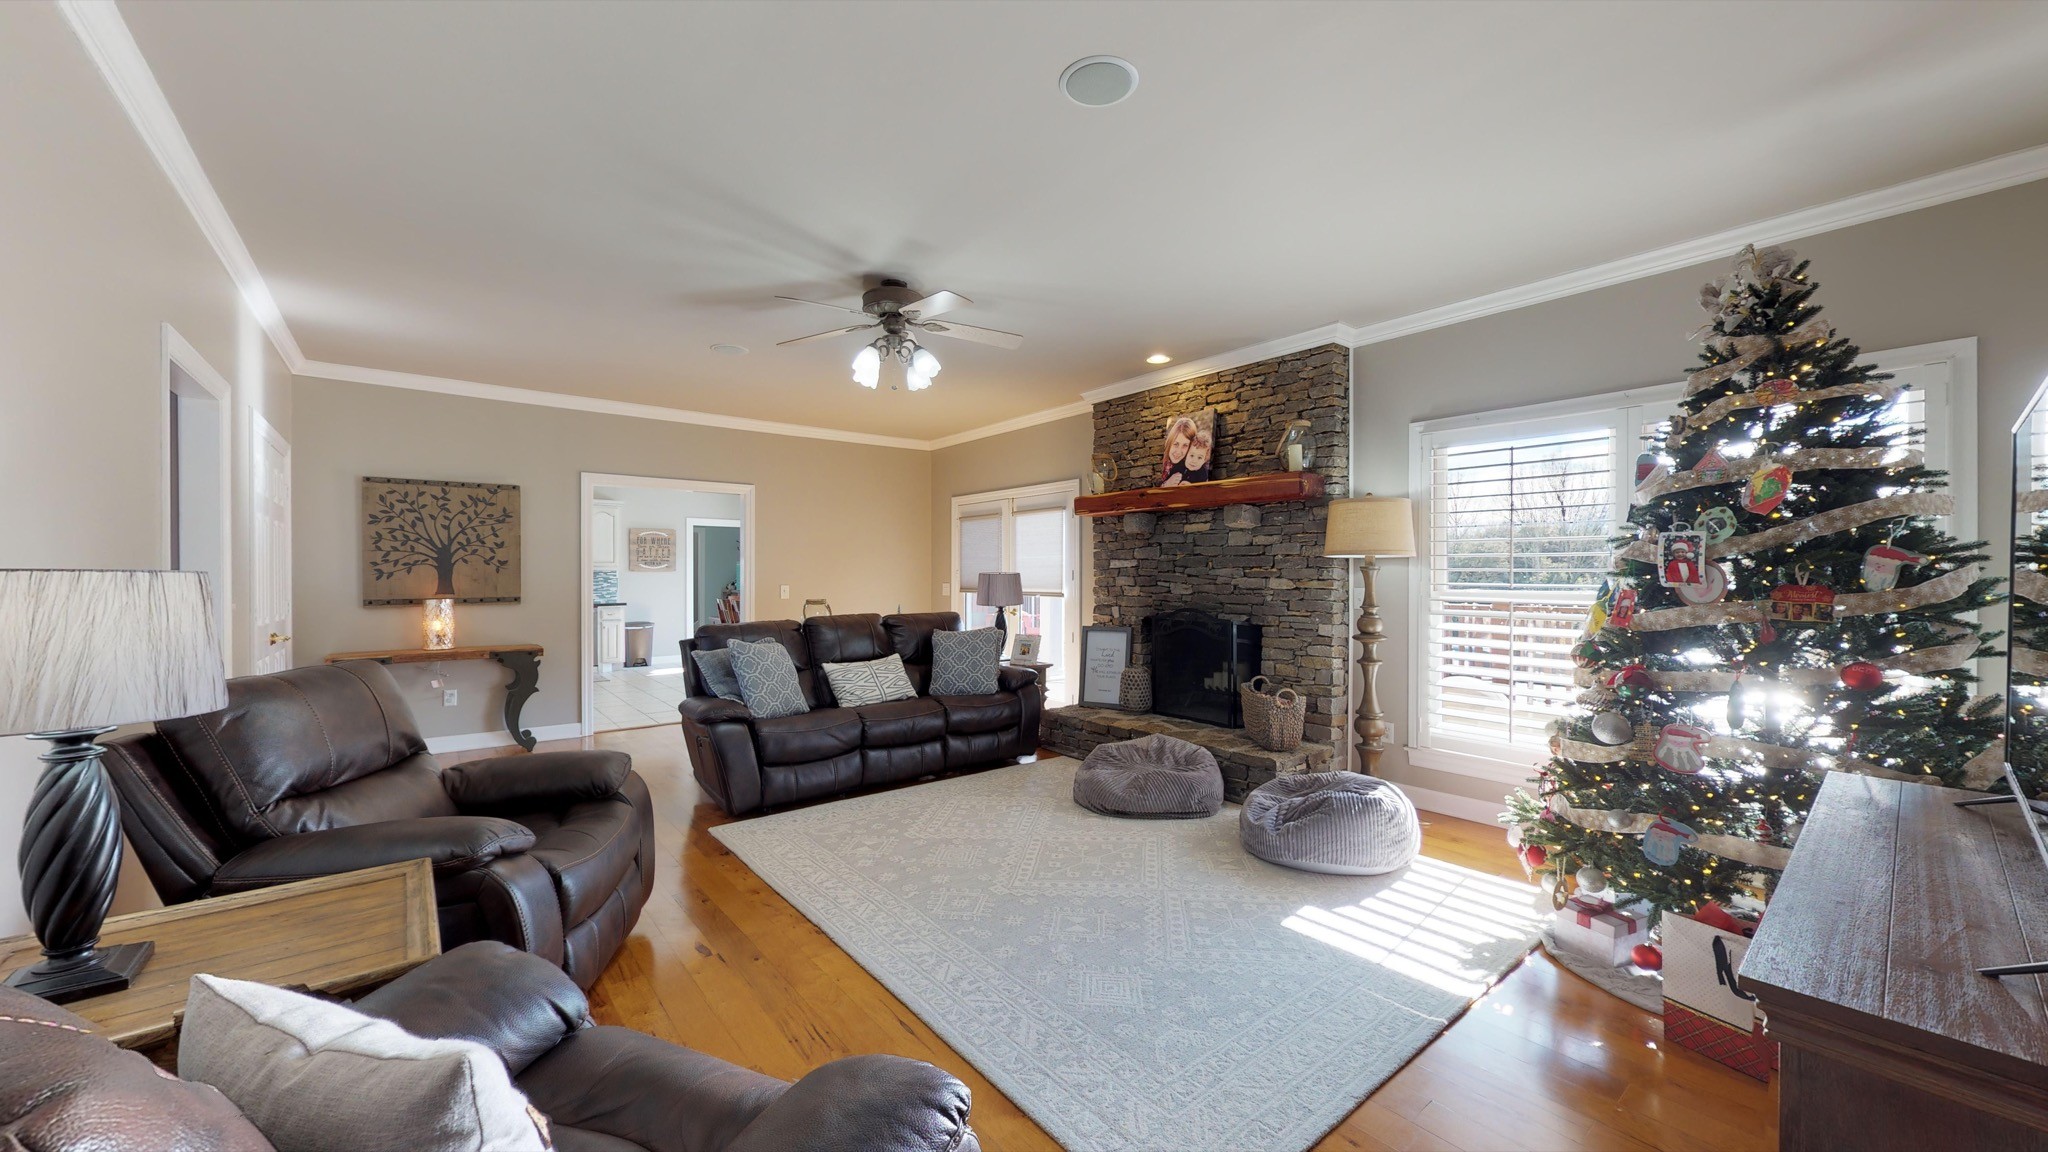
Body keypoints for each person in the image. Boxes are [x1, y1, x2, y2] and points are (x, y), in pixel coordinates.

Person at [1160, 416, 1197, 485]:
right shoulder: (1163, 462)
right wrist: (1166, 484)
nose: (1178, 452)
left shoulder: (1190, 467)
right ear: (1170, 442)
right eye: (1176, 444)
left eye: (1185, 445)